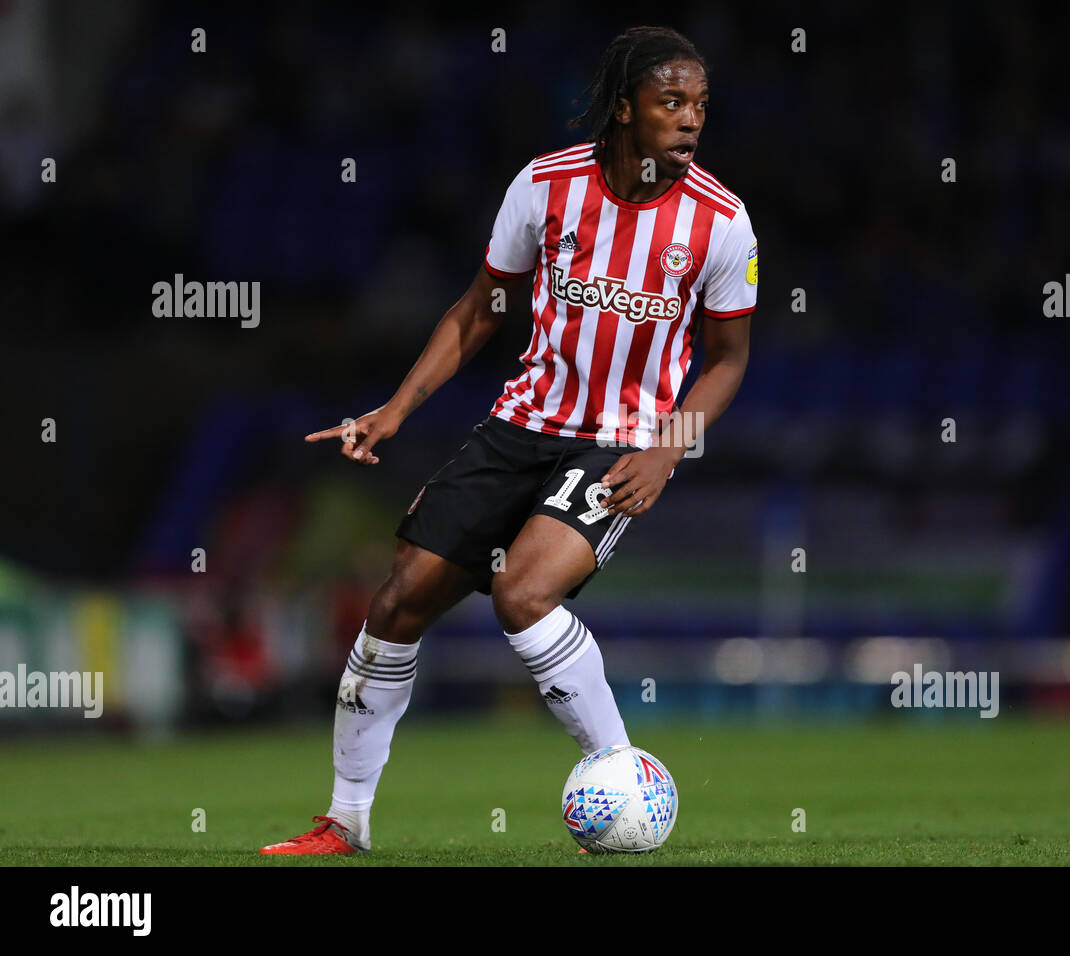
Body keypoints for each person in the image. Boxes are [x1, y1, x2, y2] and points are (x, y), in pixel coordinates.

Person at [261, 25, 756, 855]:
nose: (690, 121)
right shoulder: (545, 185)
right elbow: (479, 309)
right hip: (519, 426)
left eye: (701, 106)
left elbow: (730, 360)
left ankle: (622, 779)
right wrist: (395, 410)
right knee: (395, 605)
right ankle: (345, 823)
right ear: (626, 107)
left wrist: (669, 448)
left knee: (522, 594)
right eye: (673, 102)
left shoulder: (721, 220)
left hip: (618, 440)